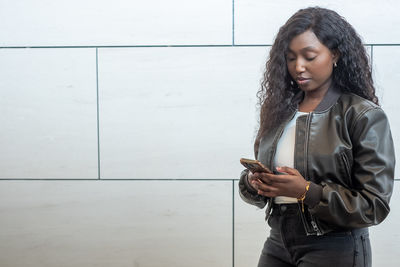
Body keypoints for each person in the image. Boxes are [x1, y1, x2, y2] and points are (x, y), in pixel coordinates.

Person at [238, 7, 395, 267]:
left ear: (335, 54)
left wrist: (308, 192)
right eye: (290, 58)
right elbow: (266, 187)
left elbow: (374, 204)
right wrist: (255, 183)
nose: (298, 67)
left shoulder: (361, 115)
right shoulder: (278, 111)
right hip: (278, 241)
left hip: (335, 246)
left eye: (309, 56)